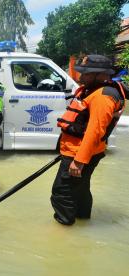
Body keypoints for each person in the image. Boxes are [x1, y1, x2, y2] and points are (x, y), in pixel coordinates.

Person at [51, 55, 126, 226]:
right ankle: (83, 221)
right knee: (81, 190)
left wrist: (79, 161)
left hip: (79, 154)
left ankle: (63, 232)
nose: (80, 77)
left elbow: (95, 130)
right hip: (79, 151)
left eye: (86, 74)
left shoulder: (103, 96)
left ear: (101, 75)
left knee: (62, 194)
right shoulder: (94, 90)